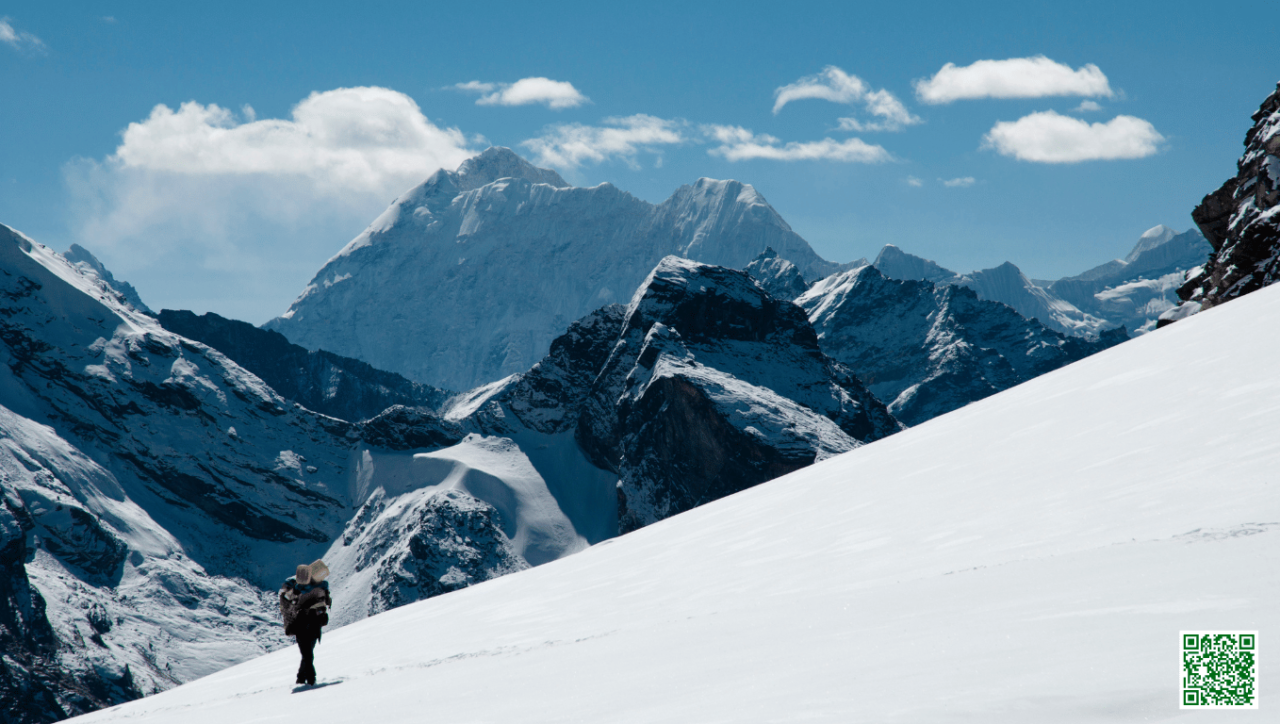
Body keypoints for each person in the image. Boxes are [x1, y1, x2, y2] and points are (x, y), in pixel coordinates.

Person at [280, 559, 331, 685]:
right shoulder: (319, 588)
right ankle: (308, 678)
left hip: (301, 626)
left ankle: (304, 679)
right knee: (308, 654)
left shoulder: (293, 593)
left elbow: (288, 608)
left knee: (307, 654)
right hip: (313, 625)